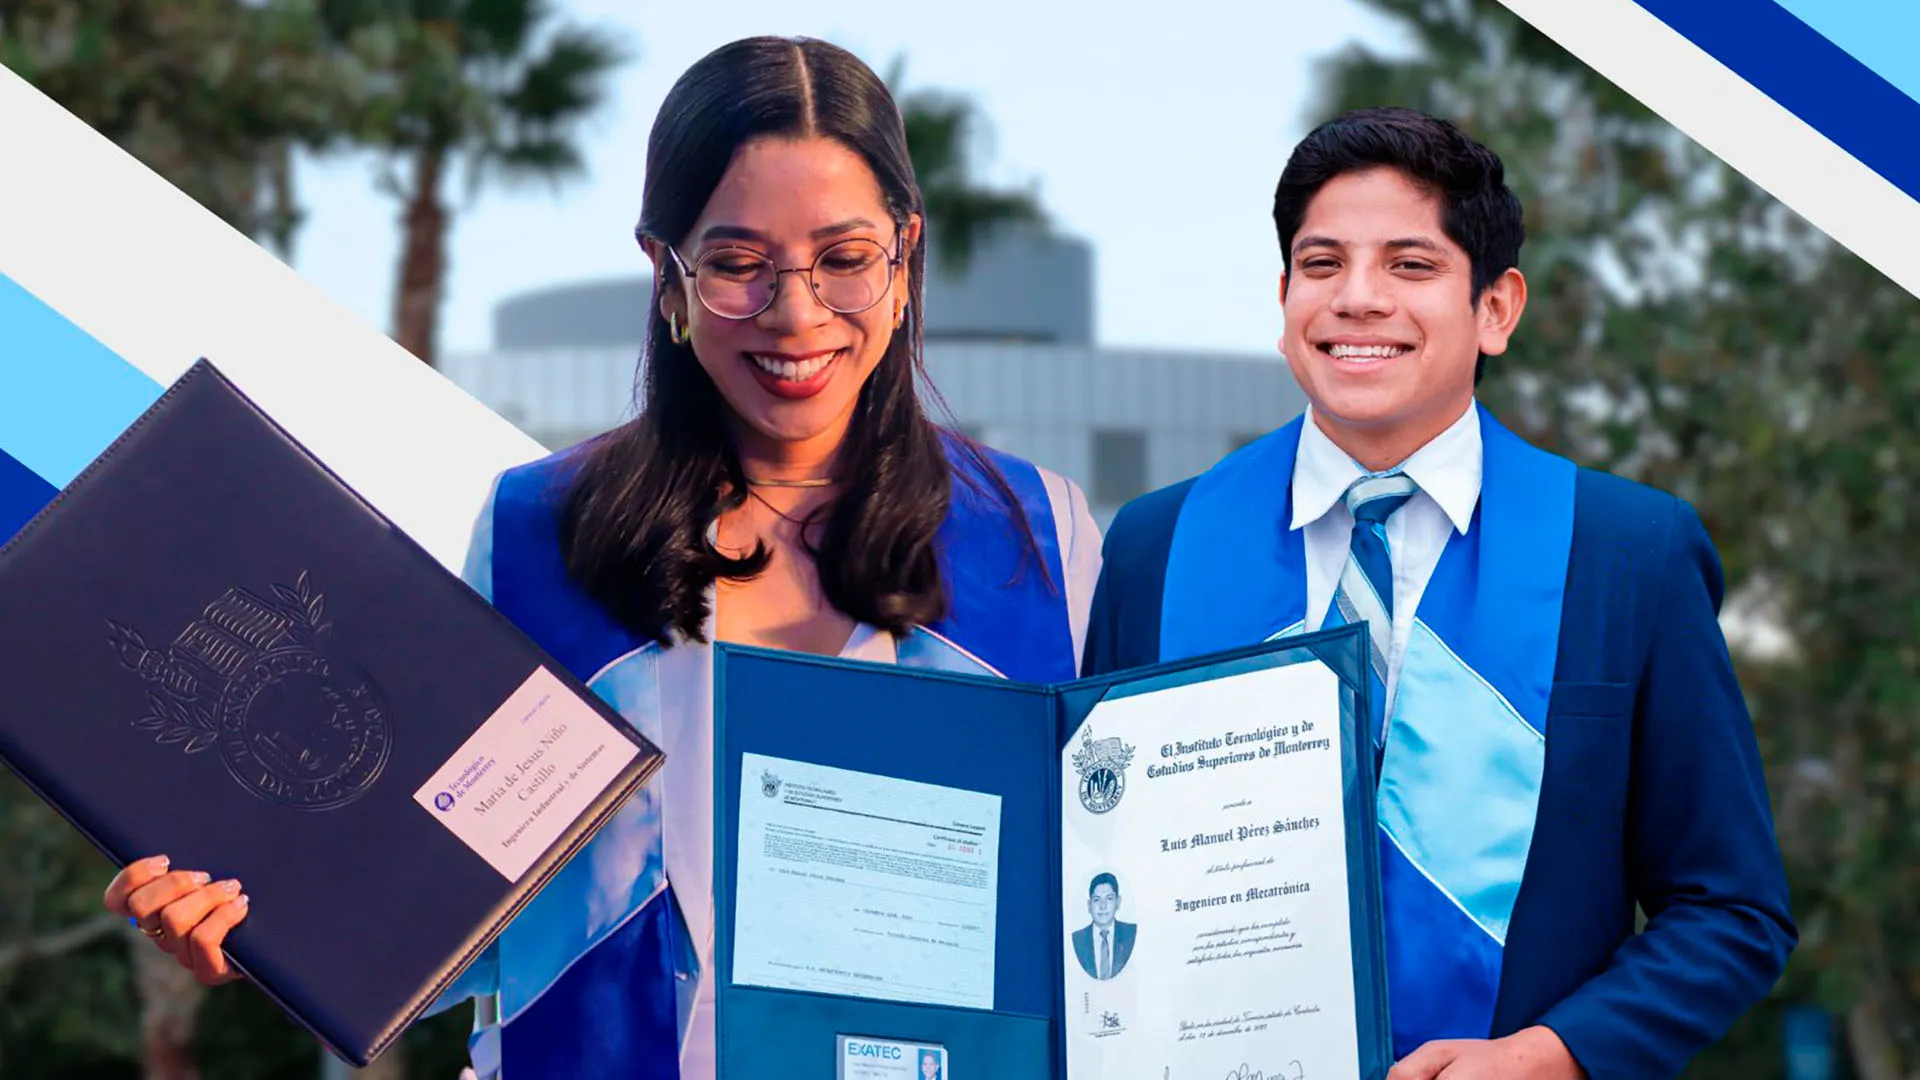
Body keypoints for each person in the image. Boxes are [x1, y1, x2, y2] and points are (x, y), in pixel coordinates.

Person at [100, 35, 1100, 1080]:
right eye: (737, 265)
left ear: (904, 257)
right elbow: (450, 907)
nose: (797, 315)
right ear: (665, 273)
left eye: (844, 259)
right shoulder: (539, 533)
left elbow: (1093, 899)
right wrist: (258, 926)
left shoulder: (1038, 535)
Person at [1082, 107, 1795, 1080]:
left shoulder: (1626, 554)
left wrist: (1551, 1056)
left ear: (1496, 308)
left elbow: (1731, 909)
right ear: (1284, 295)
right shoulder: (1158, 549)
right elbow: (1095, 861)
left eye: (1410, 266)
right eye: (1322, 264)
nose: (1358, 299)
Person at [1071, 872, 1135, 981]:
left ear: (1118, 902)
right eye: (1096, 900)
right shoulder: (1077, 939)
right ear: (1089, 905)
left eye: (1109, 898)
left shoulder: (1131, 934)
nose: (1103, 906)